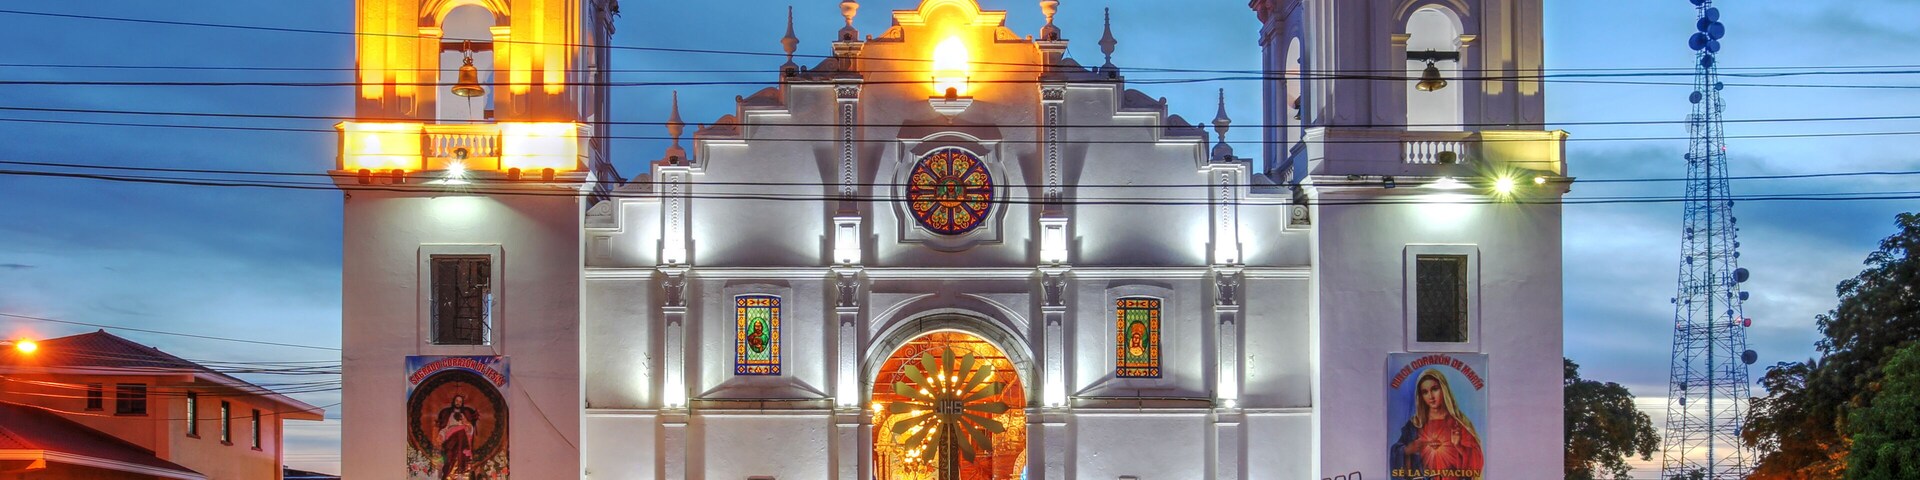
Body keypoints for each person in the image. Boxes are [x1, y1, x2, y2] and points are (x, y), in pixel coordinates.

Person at [1391, 369, 1483, 480]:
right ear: (1420, 396)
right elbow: (1396, 453)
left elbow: (1476, 461)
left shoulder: (1458, 423)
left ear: (1443, 389)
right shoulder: (1415, 425)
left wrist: (1459, 446)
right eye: (1425, 392)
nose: (1430, 396)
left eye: (1434, 389)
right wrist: (1408, 450)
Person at [435, 394, 480, 479]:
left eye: (460, 401)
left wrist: (466, 425)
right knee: (450, 456)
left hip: (462, 440)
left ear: (462, 403)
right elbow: (445, 428)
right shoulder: (449, 414)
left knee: (461, 437)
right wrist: (441, 435)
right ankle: (450, 474)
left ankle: (460, 473)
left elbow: (469, 428)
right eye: (457, 401)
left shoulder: (463, 415)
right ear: (453, 402)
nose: (458, 403)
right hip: (451, 438)